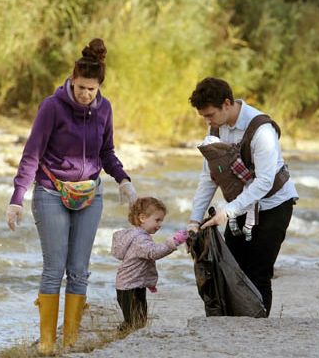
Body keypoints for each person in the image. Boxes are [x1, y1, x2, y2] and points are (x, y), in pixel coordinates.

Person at [6, 38, 137, 354]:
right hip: (51, 192)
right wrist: (17, 198)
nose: (85, 94)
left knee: (79, 269)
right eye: (80, 87)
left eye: (91, 89)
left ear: (98, 87)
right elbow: (32, 154)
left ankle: (71, 342)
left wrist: (123, 180)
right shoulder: (52, 107)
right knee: (55, 268)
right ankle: (47, 345)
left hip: (90, 194)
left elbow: (107, 152)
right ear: (72, 80)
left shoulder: (104, 109)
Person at [187, 77, 299, 316]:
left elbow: (264, 182)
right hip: (240, 206)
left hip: (274, 205)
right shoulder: (216, 128)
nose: (207, 122)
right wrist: (194, 220)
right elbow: (210, 177)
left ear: (227, 103)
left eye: (210, 115)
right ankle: (234, 326)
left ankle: (258, 330)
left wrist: (226, 212)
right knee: (232, 269)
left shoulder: (262, 130)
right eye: (204, 117)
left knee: (258, 272)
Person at [111, 197, 188, 330]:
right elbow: (153, 253)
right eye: (157, 220)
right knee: (133, 322)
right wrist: (173, 242)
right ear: (142, 218)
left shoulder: (140, 236)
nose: (160, 224)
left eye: (161, 220)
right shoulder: (139, 239)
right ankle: (120, 338)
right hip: (129, 288)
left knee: (140, 320)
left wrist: (148, 281)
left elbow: (144, 262)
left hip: (134, 285)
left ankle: (125, 338)